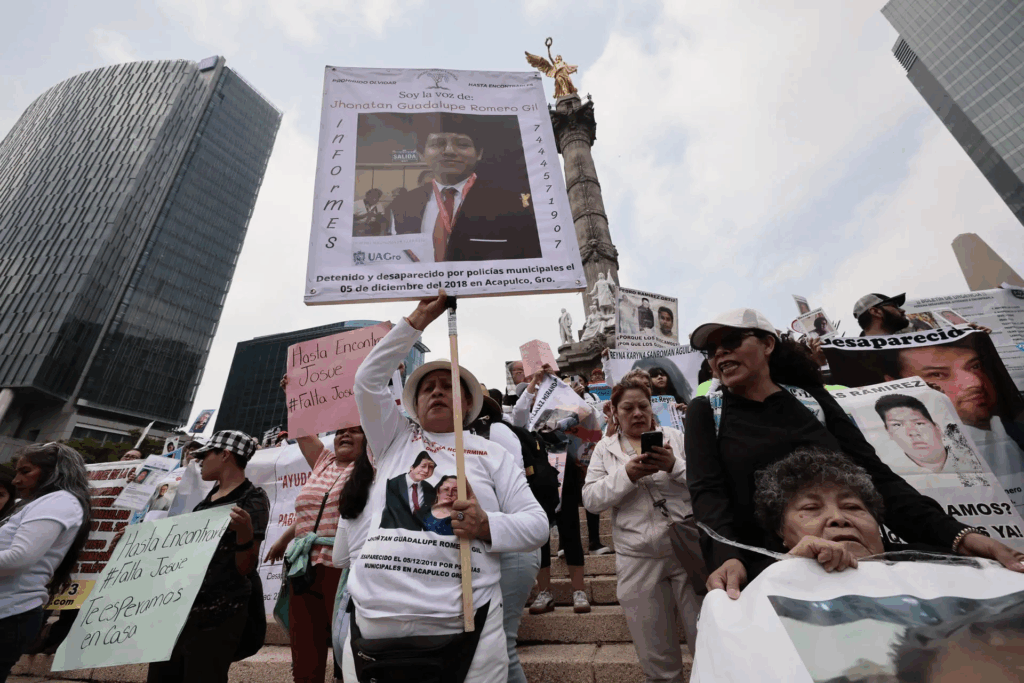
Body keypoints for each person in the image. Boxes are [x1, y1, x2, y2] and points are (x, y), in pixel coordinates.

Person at [684, 308, 1024, 601]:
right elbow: (708, 494)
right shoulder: (706, 412)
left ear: (768, 344)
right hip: (769, 568)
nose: (720, 355)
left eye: (731, 343)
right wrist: (727, 558)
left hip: (861, 560)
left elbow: (877, 479)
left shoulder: (812, 400)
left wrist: (960, 537)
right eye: (711, 351)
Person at [343, 289, 548, 683]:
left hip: (466, 622)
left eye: (448, 384)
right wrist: (416, 319)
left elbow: (537, 525)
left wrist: (486, 525)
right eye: (427, 386)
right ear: (414, 404)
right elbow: (367, 381)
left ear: (468, 401)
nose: (437, 390)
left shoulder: (493, 454)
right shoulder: (393, 440)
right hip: (374, 618)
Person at [582, 373, 703, 680]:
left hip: (687, 553)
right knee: (655, 655)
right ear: (614, 412)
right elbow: (591, 499)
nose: (637, 413)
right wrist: (627, 475)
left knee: (707, 643)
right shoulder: (604, 449)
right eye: (628, 408)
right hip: (637, 560)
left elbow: (705, 486)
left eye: (643, 406)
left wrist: (673, 466)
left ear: (652, 408)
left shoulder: (675, 438)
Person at [146, 431, 269, 683]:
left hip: (220, 616)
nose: (199, 460)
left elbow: (246, 567)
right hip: (181, 611)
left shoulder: (252, 499)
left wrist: (245, 534)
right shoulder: (204, 504)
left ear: (225, 455)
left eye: (205, 454)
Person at [265, 375, 361, 683]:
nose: (345, 434)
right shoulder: (323, 461)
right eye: (341, 431)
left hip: (343, 569)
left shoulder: (373, 467)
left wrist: (391, 378)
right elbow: (303, 429)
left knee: (347, 647)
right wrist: (293, 393)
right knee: (305, 646)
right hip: (303, 567)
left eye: (355, 431)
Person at [387, 116, 541, 262]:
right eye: (437, 144)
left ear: (479, 153)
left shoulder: (510, 202)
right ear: (422, 154)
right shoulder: (402, 204)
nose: (449, 151)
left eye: (462, 144)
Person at [0, 443, 91, 682]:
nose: (16, 480)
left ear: (54, 471)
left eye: (25, 471)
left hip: (10, 614)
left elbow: (20, 557)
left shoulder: (60, 502)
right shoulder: (42, 502)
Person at [882, 338, 1024, 478]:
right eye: (936, 374)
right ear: (895, 383)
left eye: (976, 366)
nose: (974, 383)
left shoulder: (1014, 430)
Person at [513, 367, 592, 616]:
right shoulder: (524, 416)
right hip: (534, 470)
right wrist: (534, 384)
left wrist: (563, 387)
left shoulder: (566, 408)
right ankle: (544, 592)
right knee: (540, 531)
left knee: (570, 526)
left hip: (564, 465)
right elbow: (517, 416)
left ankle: (578, 590)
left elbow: (590, 419)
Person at [753, 447, 888, 572]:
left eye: (852, 507)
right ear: (781, 532)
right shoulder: (752, 591)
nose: (838, 518)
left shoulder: (909, 573)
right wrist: (790, 571)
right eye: (811, 508)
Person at [874, 394, 983, 474]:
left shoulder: (976, 456)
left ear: (937, 427)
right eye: (897, 425)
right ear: (889, 433)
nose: (912, 432)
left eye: (919, 423)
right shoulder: (892, 473)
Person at [381, 453, 437, 531]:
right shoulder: (392, 484)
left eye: (431, 467)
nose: (426, 470)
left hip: (417, 536)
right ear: (412, 467)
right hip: (391, 534)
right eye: (423, 466)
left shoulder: (430, 489)